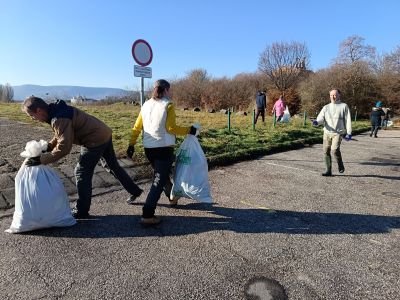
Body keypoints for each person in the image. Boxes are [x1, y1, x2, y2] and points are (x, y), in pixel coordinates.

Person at [22, 96, 143, 219]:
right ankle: (135, 191)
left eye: (31, 115)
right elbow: (60, 133)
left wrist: (41, 160)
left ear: (39, 111)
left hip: (94, 139)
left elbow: (64, 147)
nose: (33, 119)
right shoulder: (56, 111)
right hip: (104, 133)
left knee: (81, 172)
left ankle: (81, 211)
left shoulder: (58, 118)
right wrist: (49, 146)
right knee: (112, 166)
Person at [127, 79, 197, 225]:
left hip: (149, 149)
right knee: (158, 180)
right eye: (169, 90)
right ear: (165, 90)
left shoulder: (145, 105)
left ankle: (172, 198)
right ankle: (147, 214)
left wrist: (131, 144)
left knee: (162, 175)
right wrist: (189, 130)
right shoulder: (168, 104)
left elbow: (137, 126)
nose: (170, 92)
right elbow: (171, 128)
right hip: (164, 148)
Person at [312, 89, 352, 176]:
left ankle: (340, 164)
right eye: (331, 95)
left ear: (339, 95)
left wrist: (349, 132)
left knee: (334, 150)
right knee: (326, 151)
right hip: (327, 132)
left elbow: (348, 120)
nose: (333, 97)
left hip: (338, 133)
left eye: (335, 95)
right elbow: (321, 118)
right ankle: (328, 170)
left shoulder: (344, 106)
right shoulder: (326, 107)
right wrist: (317, 122)